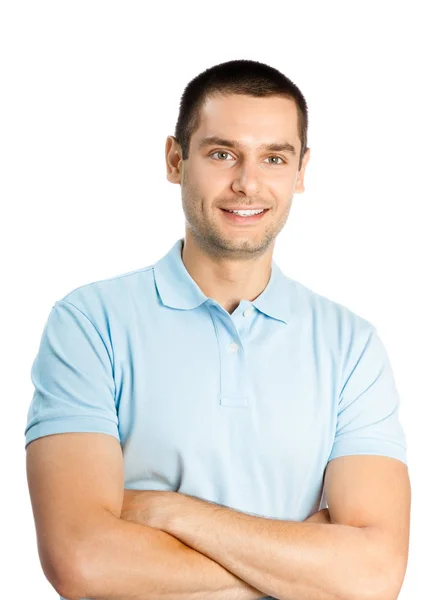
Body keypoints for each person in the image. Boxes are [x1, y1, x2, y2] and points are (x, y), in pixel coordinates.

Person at [25, 59, 411, 600]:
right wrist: (306, 557)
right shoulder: (90, 323)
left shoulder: (351, 346)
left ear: (301, 171)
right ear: (175, 160)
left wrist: (168, 510)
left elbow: (373, 576)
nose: (247, 183)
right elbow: (83, 560)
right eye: (222, 153)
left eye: (274, 157)